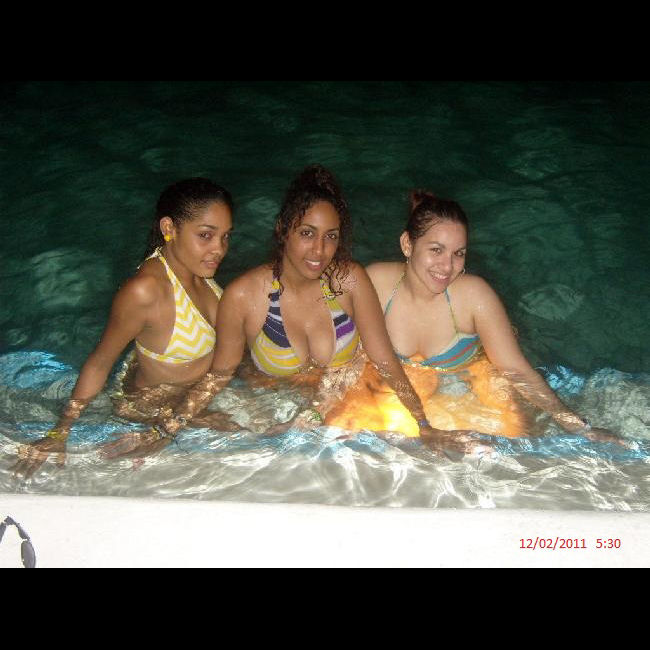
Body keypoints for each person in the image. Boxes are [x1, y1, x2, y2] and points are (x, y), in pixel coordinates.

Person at [101, 165, 484, 459]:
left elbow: (384, 360)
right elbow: (219, 375)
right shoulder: (243, 296)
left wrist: (424, 424)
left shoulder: (349, 281)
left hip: (341, 398)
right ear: (283, 229)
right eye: (307, 233)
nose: (319, 250)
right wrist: (165, 430)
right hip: (278, 401)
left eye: (331, 237)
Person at [334, 189, 622, 444]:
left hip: (469, 377)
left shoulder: (474, 297)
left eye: (458, 253)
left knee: (512, 441)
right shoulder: (376, 284)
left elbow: (516, 370)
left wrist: (579, 427)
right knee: (341, 427)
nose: (447, 266)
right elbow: (339, 347)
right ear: (407, 245)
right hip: (398, 383)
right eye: (436, 250)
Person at [12, 178, 236, 478]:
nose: (219, 249)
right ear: (169, 228)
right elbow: (100, 362)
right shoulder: (145, 291)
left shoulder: (196, 270)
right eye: (206, 235)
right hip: (154, 412)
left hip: (192, 399)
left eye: (225, 236)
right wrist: (60, 431)